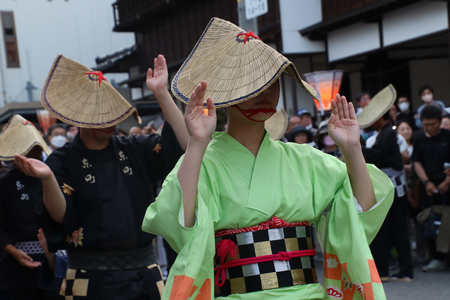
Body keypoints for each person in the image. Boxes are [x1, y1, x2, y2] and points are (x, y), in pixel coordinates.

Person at [142, 17, 394, 300]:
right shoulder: (204, 162)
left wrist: (352, 150)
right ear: (225, 90)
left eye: (272, 81)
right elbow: (180, 227)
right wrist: (198, 143)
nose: (265, 93)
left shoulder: (307, 160)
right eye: (253, 84)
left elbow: (361, 216)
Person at [15, 54, 188, 299]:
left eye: (113, 112)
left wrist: (161, 92)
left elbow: (182, 146)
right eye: (101, 113)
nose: (109, 119)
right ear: (81, 115)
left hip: (145, 274)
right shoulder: (62, 160)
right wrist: (48, 179)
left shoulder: (134, 148)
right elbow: (60, 216)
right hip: (89, 277)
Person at [358, 85, 414, 282]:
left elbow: (378, 155)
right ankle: (386, 270)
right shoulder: (383, 133)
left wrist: (358, 147)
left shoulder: (389, 132)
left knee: (397, 229)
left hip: (394, 189)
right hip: (387, 188)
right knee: (387, 230)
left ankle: (404, 270)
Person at [0, 115, 58, 299]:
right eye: (30, 149)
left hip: (54, 260)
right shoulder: (4, 183)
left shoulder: (52, 178)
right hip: (16, 264)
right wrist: (12, 250)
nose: (35, 154)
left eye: (37, 148)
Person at [412, 105, 450, 272]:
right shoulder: (419, 138)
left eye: (432, 124)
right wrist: (426, 181)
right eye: (425, 124)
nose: (429, 128)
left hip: (447, 184)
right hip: (429, 186)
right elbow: (416, 162)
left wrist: (448, 180)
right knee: (431, 223)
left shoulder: (448, 136)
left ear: (440, 122)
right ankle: (436, 258)